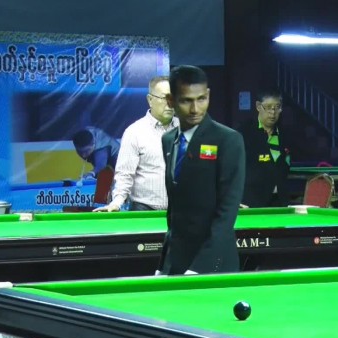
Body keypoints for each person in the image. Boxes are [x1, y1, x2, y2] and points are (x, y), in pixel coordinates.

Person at [157, 65, 245, 275]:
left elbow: (226, 214)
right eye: (186, 101)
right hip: (176, 263)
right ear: (171, 100)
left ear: (208, 95)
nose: (195, 109)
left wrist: (198, 268)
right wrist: (163, 264)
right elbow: (174, 212)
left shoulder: (228, 140)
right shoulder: (168, 140)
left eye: (201, 99)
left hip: (213, 264)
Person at [94, 76, 178, 212]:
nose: (170, 103)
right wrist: (116, 203)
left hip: (180, 213)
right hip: (144, 211)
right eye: (164, 98)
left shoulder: (186, 129)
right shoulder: (134, 132)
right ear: (150, 100)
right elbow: (124, 174)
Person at [238, 89, 291, 208]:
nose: (273, 112)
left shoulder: (285, 134)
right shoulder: (243, 133)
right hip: (250, 203)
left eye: (277, 107)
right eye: (268, 107)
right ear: (258, 106)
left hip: (280, 203)